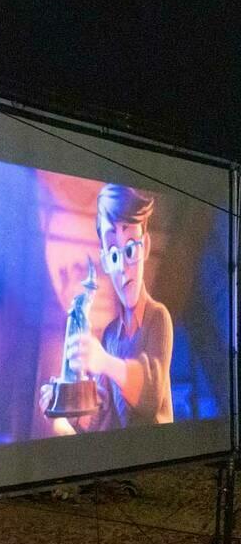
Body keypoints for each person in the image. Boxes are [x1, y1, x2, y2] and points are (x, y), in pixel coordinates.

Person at [39, 184, 173, 432]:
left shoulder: (158, 318)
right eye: (113, 255)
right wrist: (66, 403)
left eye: (130, 249)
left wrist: (103, 361)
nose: (122, 266)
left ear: (145, 246)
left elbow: (150, 396)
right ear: (104, 262)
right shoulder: (111, 334)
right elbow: (100, 419)